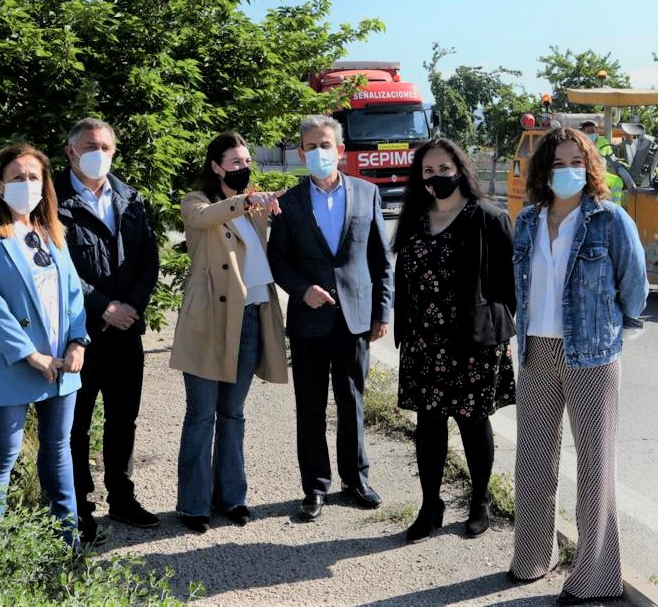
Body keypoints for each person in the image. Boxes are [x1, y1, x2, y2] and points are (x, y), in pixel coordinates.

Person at [508, 127, 648, 605]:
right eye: (557, 163)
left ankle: (594, 580)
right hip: (535, 351)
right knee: (532, 461)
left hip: (591, 356)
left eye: (575, 162)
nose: (566, 171)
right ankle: (529, 559)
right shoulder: (527, 220)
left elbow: (635, 284)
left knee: (594, 466)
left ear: (589, 169)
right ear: (543, 170)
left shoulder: (610, 220)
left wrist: (615, 335)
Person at [267, 114, 394, 522]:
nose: (319, 152)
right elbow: (278, 261)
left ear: (340, 150)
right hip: (308, 320)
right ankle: (315, 487)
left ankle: (355, 480)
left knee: (352, 401)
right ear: (301, 152)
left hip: (355, 319)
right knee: (310, 406)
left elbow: (381, 260)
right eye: (311, 146)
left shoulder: (367, 193)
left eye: (326, 145)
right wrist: (302, 290)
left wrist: (382, 312)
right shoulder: (287, 203)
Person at [0, 142, 88, 546]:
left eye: (34, 177)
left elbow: (72, 295)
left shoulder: (52, 232)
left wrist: (77, 341)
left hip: (62, 366)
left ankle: (67, 543)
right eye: (18, 178)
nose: (28, 184)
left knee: (57, 450)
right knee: (3, 455)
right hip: (14, 364)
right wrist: (31, 356)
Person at [391, 138, 516, 544]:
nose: (437, 177)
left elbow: (510, 286)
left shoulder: (488, 217)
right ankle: (431, 506)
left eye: (444, 168)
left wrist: (508, 336)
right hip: (423, 341)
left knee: (472, 422)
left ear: (460, 169)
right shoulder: (415, 218)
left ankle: (480, 501)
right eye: (428, 171)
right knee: (428, 426)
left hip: (472, 342)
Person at [169, 132, 289, 534]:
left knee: (233, 414)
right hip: (210, 322)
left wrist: (267, 207)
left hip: (252, 316)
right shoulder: (196, 202)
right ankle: (193, 505)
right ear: (216, 166)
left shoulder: (254, 205)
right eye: (235, 162)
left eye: (247, 161)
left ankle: (232, 497)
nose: (243, 168)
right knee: (201, 416)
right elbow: (204, 218)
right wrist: (245, 200)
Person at [56, 117, 160, 544]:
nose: (99, 153)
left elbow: (148, 260)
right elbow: (56, 266)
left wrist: (131, 307)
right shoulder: (52, 201)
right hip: (78, 334)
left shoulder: (129, 198)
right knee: (76, 426)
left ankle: (122, 496)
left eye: (106, 147)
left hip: (125, 333)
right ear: (71, 151)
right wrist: (104, 306)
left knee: (124, 420)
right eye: (90, 146)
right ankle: (79, 509)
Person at [579, 120, 623, 204]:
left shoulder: (603, 141)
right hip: (586, 175)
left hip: (602, 173)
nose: (591, 134)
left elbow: (611, 156)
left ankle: (616, 207)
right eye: (588, 132)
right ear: (583, 132)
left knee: (618, 181)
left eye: (593, 131)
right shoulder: (580, 144)